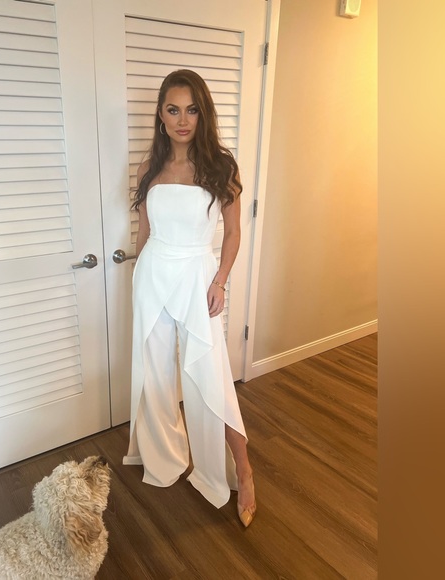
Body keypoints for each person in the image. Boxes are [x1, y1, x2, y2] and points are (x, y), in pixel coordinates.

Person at [122, 69, 257, 527]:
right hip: (153, 277)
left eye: (192, 110)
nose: (183, 120)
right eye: (173, 110)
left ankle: (241, 469)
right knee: (156, 376)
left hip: (198, 278)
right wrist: (137, 281)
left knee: (210, 377)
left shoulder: (221, 167)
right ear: (161, 115)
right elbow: (144, 232)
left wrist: (220, 281)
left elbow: (234, 233)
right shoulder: (149, 169)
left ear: (204, 114)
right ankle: (166, 455)